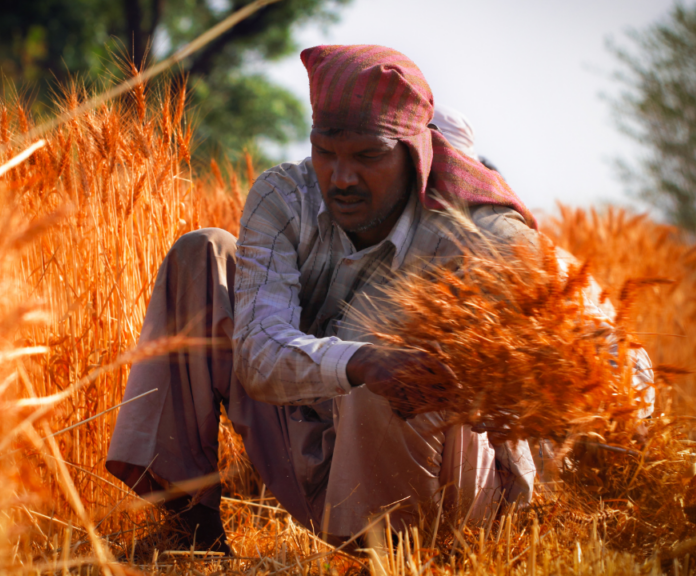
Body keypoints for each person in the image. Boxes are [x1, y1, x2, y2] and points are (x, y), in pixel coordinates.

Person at [105, 45, 650, 552]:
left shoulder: (481, 233)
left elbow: (618, 358)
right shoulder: (284, 198)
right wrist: (363, 362)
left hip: (443, 490)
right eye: (326, 152)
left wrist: (549, 395)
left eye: (368, 156)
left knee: (392, 368)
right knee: (203, 253)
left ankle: (386, 555)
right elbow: (259, 353)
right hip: (307, 450)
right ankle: (189, 534)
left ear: (415, 155)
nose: (341, 178)